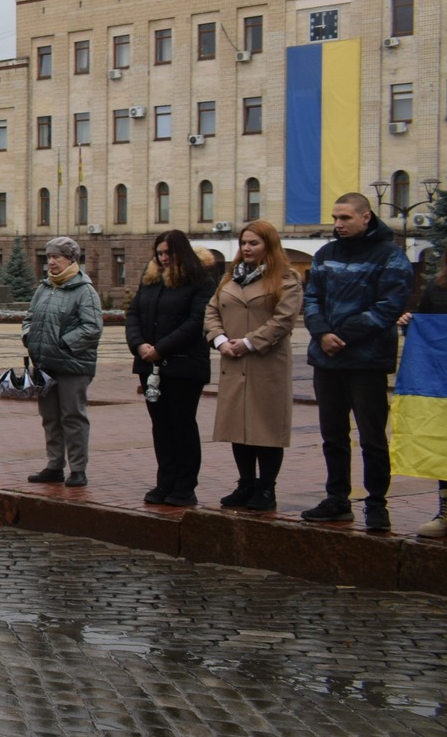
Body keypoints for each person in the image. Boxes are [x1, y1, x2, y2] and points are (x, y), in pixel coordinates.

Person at [301, 193, 414, 531]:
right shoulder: (324, 255)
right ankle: (337, 499)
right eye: (335, 218)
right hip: (327, 360)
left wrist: (343, 336)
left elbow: (389, 306)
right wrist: (322, 333)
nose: (338, 224)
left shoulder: (390, 257)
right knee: (332, 435)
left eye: (346, 218)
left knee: (372, 437)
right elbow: (311, 299)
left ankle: (377, 504)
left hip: (367, 362)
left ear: (366, 217)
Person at [202, 220, 303, 512]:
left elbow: (283, 320)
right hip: (232, 362)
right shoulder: (230, 278)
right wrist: (219, 339)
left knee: (266, 428)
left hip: (265, 363)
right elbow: (211, 310)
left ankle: (266, 488)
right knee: (238, 425)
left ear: (268, 246)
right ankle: (245, 483)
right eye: (244, 242)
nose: (247, 248)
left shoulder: (286, 279)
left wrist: (247, 342)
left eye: (254, 243)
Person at [126, 229, 214, 507]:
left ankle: (185, 486)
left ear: (182, 253)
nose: (164, 258)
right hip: (150, 366)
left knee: (182, 425)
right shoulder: (150, 279)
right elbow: (134, 314)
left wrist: (161, 348)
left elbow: (196, 321)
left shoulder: (200, 281)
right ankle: (165, 481)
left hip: (184, 366)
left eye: (169, 253)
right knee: (161, 426)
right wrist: (139, 345)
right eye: (160, 253)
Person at [22, 237, 103, 488]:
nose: (52, 262)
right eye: (49, 257)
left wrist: (64, 345)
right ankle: (55, 465)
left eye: (57, 257)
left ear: (72, 259)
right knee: (50, 417)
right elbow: (30, 317)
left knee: (72, 417)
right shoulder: (44, 288)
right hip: (46, 365)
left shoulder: (84, 290)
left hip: (73, 366)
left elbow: (92, 327)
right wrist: (28, 336)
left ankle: (78, 469)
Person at [397, 258, 447, 538]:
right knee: (444, 447)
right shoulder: (436, 289)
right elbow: (428, 332)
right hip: (442, 385)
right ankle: (446, 512)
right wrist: (410, 323)